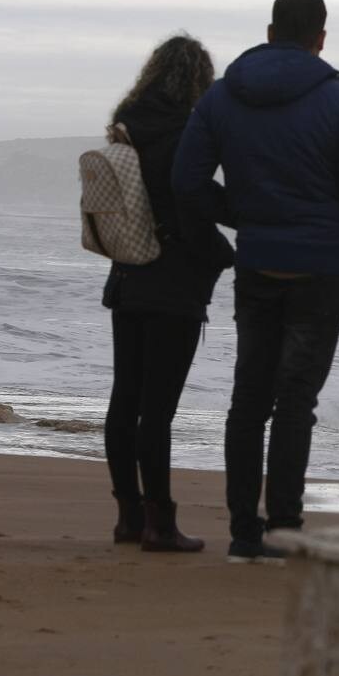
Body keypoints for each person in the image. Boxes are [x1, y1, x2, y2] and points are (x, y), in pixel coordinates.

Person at [173, 0, 339, 563]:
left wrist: (240, 214)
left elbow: (186, 182)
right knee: (296, 403)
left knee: (249, 400)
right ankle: (284, 528)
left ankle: (245, 532)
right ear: (320, 39)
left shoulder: (221, 99)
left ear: (270, 33)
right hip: (320, 272)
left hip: (259, 263)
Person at [102, 34, 234, 552]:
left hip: (128, 272)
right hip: (174, 280)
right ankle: (161, 523)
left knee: (124, 400)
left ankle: (129, 516)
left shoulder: (127, 119)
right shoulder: (191, 128)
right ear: (198, 80)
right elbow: (194, 194)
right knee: (158, 409)